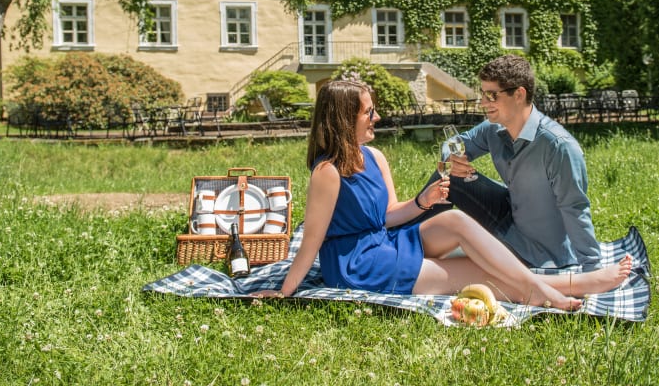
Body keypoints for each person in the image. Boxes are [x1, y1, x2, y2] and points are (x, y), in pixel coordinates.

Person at [256, 80, 631, 307]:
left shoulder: (375, 156)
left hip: (384, 242)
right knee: (474, 274)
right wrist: (287, 290)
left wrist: (423, 202)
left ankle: (556, 285)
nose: (377, 118)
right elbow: (312, 240)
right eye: (369, 113)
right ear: (343, 118)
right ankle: (573, 285)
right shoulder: (327, 172)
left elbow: (387, 215)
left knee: (452, 217)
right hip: (358, 266)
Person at [424, 55, 601, 270]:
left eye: (491, 95)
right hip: (508, 215)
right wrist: (451, 158)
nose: (482, 103)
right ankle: (408, 247)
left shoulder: (558, 146)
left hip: (538, 249)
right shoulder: (493, 128)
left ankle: (414, 249)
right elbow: (456, 142)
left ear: (519, 94)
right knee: (448, 177)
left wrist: (592, 268)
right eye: (482, 94)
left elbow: (575, 208)